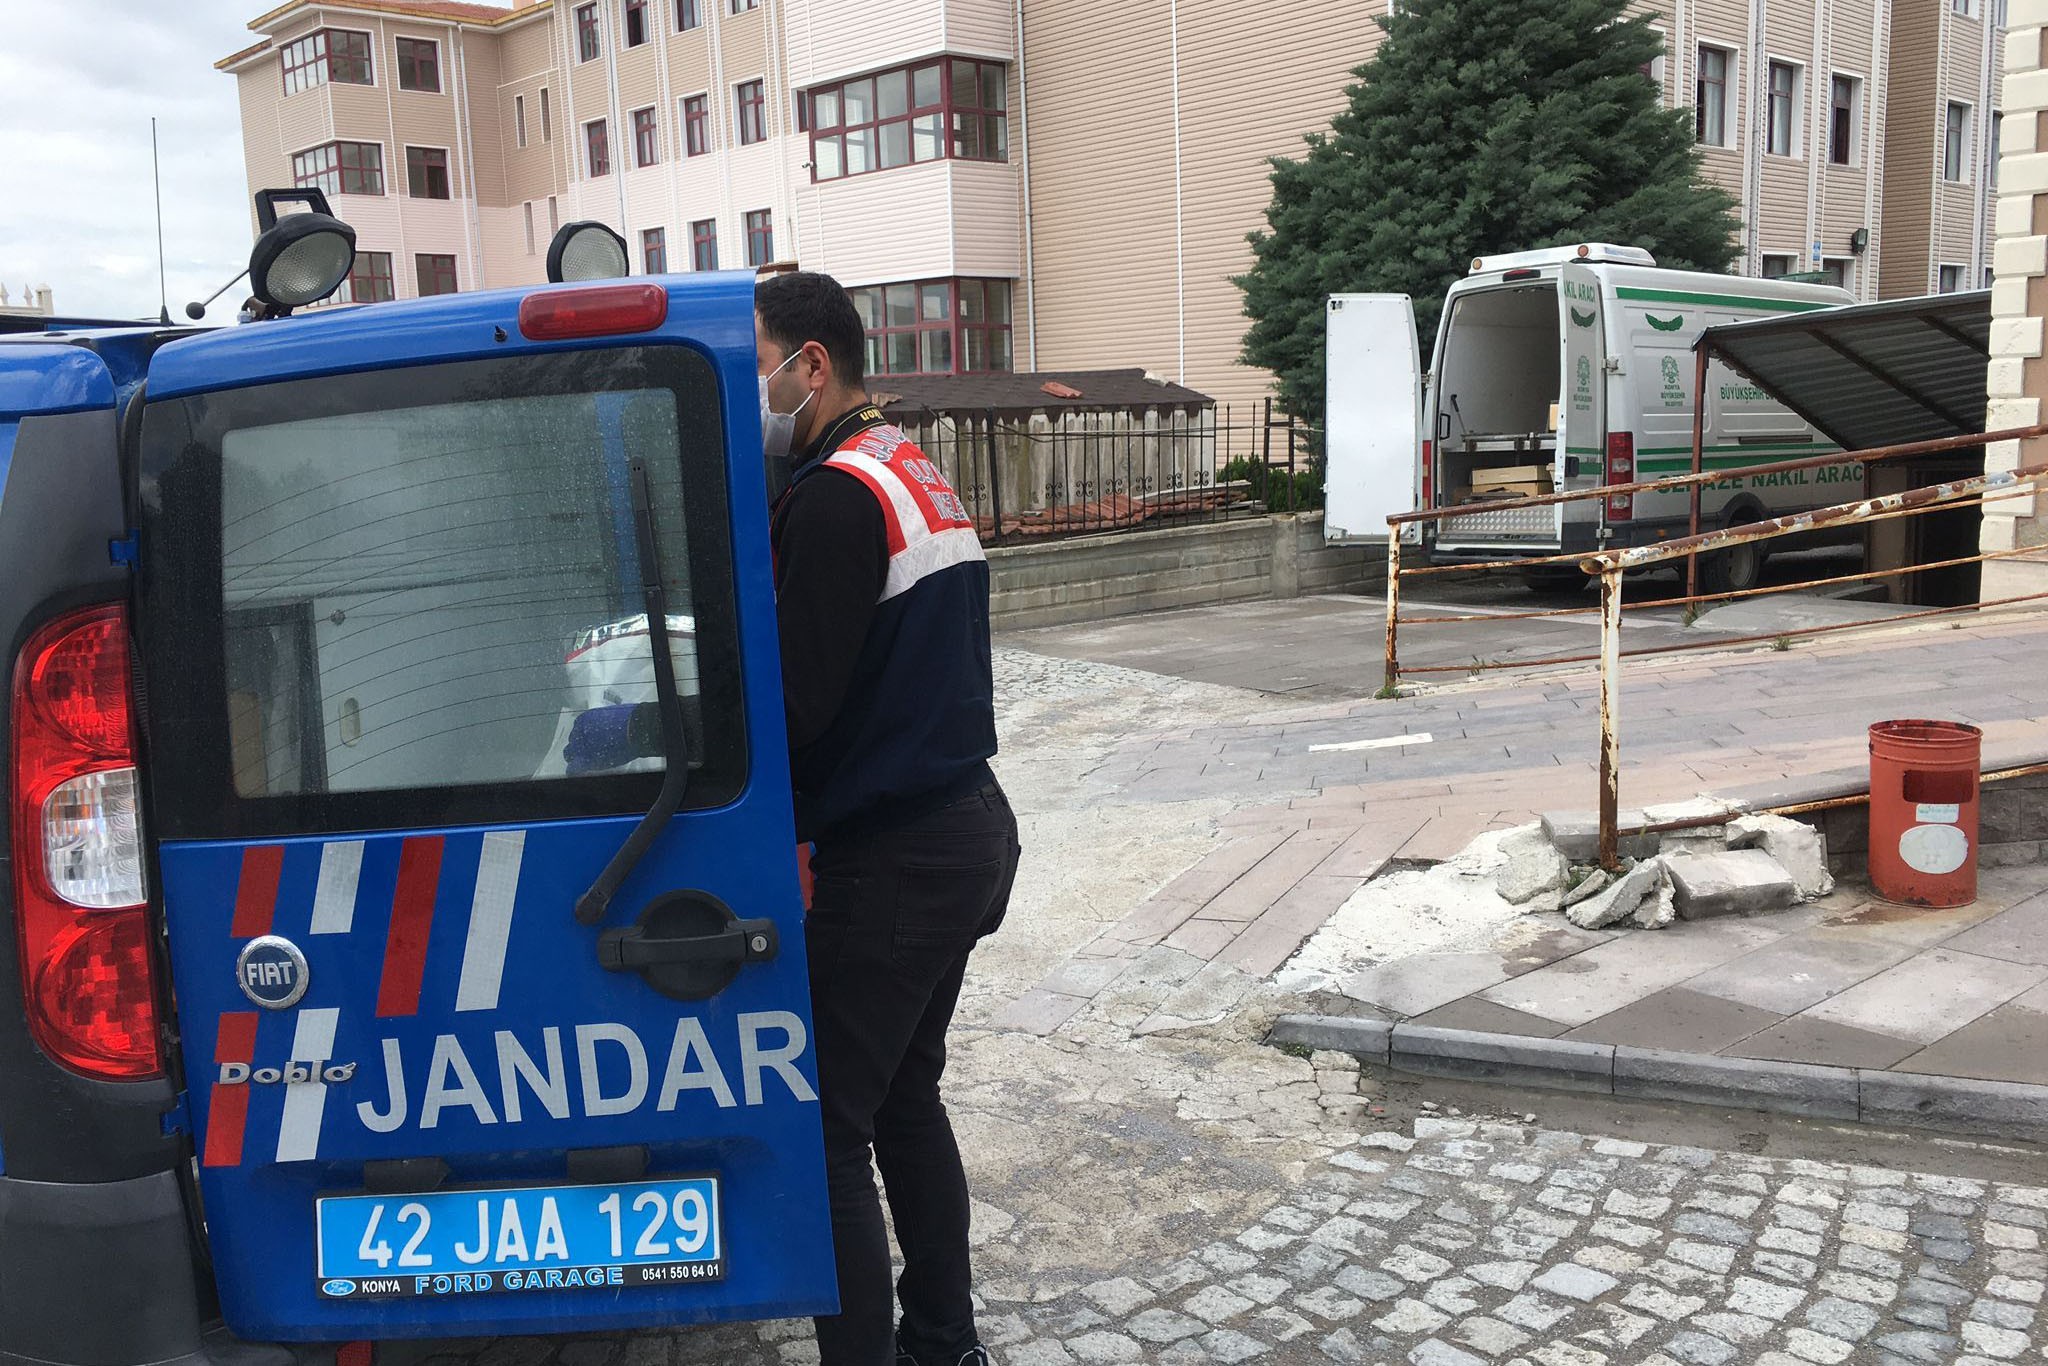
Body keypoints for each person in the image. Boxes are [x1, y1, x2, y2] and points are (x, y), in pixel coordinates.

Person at [757, 270, 1019, 1366]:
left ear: (809, 363)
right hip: (962, 825)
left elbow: (798, 706)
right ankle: (943, 1343)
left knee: (828, 1127)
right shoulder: (903, 466)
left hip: (897, 856)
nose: (750, 389)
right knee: (905, 1095)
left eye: (754, 362)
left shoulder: (831, 495)